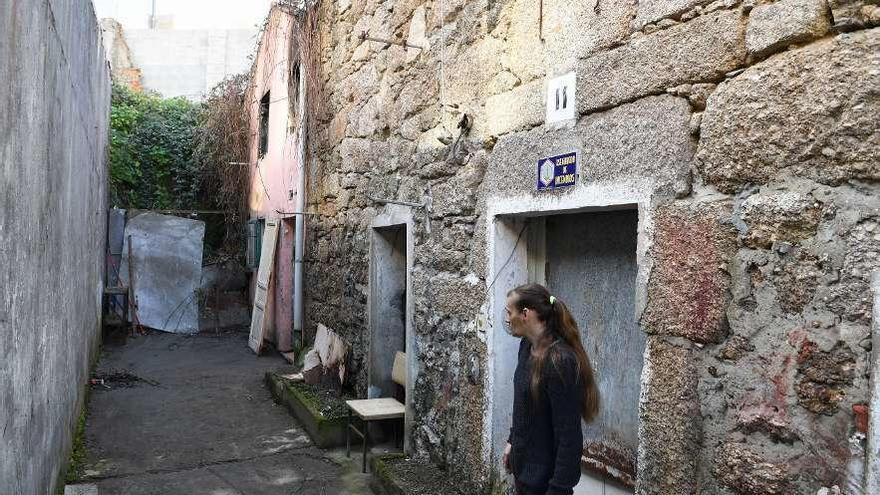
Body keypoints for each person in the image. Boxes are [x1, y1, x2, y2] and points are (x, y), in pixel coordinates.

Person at [502, 283, 600, 495]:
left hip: (547, 486)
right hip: (524, 477)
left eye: (510, 312)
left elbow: (569, 437)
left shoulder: (560, 362)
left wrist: (558, 489)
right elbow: (524, 406)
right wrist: (512, 441)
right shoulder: (526, 347)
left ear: (525, 314)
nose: (507, 319)